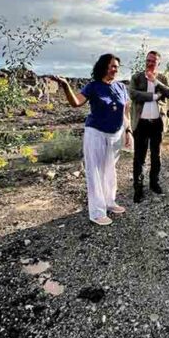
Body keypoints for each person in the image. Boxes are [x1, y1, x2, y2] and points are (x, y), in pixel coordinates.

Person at [52, 54, 132, 226]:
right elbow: (76, 102)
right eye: (112, 66)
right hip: (95, 132)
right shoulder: (93, 86)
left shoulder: (121, 87)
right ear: (103, 67)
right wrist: (66, 86)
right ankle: (96, 212)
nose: (115, 69)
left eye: (117, 66)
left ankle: (110, 202)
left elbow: (126, 112)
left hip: (116, 133)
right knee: (94, 171)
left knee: (110, 170)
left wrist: (128, 131)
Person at [129, 50, 169, 203]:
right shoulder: (137, 77)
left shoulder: (163, 78)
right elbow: (133, 94)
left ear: (158, 63)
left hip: (157, 124)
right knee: (139, 157)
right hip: (140, 124)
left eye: (153, 61)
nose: (149, 63)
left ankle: (154, 183)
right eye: (148, 60)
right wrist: (154, 96)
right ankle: (138, 189)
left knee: (156, 156)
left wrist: (156, 82)